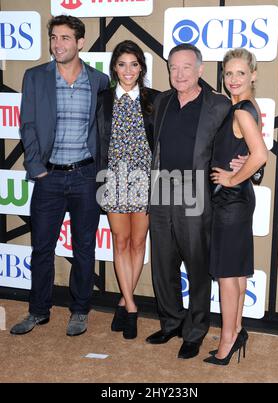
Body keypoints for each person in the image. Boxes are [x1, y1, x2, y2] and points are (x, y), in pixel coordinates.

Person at [10, 15, 109, 337]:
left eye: (65, 38)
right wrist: (35, 167)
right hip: (48, 178)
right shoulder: (35, 76)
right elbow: (27, 125)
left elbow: (104, 130)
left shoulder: (99, 81)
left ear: (80, 42)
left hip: (85, 175)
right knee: (41, 248)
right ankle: (38, 310)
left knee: (84, 248)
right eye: (54, 37)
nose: (58, 44)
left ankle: (79, 311)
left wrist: (100, 172)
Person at [146, 44, 236, 359]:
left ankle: (195, 331)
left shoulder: (218, 105)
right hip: (160, 192)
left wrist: (244, 167)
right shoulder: (162, 101)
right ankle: (171, 321)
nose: (179, 74)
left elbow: (238, 142)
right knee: (162, 263)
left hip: (195, 193)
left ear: (199, 70)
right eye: (173, 67)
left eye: (186, 67)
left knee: (197, 267)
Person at [203, 48, 268, 365]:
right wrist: (245, 173)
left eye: (241, 73)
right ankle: (237, 329)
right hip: (238, 202)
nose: (233, 79)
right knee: (237, 274)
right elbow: (253, 155)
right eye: (228, 73)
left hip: (230, 202)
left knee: (228, 277)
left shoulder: (241, 110)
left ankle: (227, 341)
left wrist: (231, 179)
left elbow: (260, 156)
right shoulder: (249, 107)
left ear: (253, 75)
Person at [96, 40, 160, 339]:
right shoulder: (103, 99)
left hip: (145, 180)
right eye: (122, 64)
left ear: (142, 68)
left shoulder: (154, 100)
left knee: (138, 243)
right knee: (120, 243)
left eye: (134, 64)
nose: (128, 70)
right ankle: (131, 306)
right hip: (113, 181)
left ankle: (124, 301)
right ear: (114, 68)